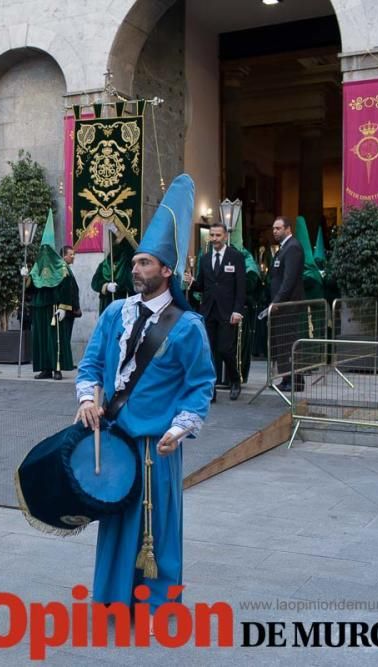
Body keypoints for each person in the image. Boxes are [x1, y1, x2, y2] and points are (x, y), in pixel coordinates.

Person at [74, 174, 214, 626]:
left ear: (167, 270)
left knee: (156, 526)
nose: (136, 269)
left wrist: (180, 427)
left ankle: (155, 601)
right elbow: (91, 365)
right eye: (135, 262)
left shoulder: (188, 326)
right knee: (117, 520)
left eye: (146, 263)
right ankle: (113, 596)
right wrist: (85, 400)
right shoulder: (115, 312)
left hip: (158, 444)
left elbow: (200, 385)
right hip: (115, 435)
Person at [184, 222, 246, 402]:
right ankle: (211, 388)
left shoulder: (236, 257)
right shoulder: (204, 259)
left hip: (228, 312)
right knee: (208, 352)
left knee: (225, 349)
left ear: (225, 236)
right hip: (208, 311)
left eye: (218, 235)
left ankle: (235, 380)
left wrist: (237, 310)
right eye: (212, 235)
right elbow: (202, 286)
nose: (214, 239)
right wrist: (192, 282)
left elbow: (241, 288)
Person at [30, 211, 80, 381]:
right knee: (42, 340)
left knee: (55, 340)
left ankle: (57, 368)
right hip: (39, 308)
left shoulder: (61, 268)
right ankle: (45, 368)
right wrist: (25, 278)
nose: (44, 252)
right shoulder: (36, 268)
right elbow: (32, 288)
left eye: (47, 249)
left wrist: (64, 307)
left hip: (54, 308)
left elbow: (67, 288)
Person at [267, 216, 305, 392]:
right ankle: (286, 378)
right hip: (280, 306)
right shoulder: (283, 248)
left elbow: (288, 280)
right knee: (281, 342)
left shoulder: (293, 248)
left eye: (278, 228)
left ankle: (295, 380)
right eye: (274, 228)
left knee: (289, 342)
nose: (275, 231)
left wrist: (277, 301)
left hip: (288, 305)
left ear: (288, 229)